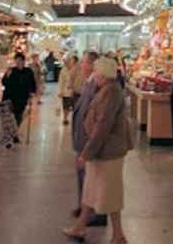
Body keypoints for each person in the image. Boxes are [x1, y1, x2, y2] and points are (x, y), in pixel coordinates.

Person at [63, 57, 132, 244]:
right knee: (93, 191)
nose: (93, 75)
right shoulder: (107, 89)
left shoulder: (110, 92)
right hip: (102, 152)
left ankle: (117, 235)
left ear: (102, 74)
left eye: (95, 71)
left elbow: (103, 126)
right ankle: (82, 228)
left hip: (107, 152)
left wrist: (86, 153)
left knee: (106, 193)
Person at [71, 52, 107, 227]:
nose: (81, 66)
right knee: (83, 176)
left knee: (91, 178)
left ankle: (94, 212)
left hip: (87, 141)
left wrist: (88, 146)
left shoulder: (96, 85)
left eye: (83, 62)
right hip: (81, 140)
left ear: (92, 65)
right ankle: (83, 207)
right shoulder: (88, 83)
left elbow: (96, 118)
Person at [1, 53, 36, 136]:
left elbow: (32, 84)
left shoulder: (28, 71)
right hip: (9, 97)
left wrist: (32, 94)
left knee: (19, 116)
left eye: (20, 61)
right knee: (9, 116)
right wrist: (7, 76)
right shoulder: (11, 70)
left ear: (23, 61)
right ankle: (10, 133)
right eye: (16, 61)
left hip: (22, 97)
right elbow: (4, 82)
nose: (18, 63)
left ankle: (15, 132)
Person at [58, 55, 79, 125]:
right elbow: (61, 82)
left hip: (75, 91)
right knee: (66, 106)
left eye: (69, 61)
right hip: (66, 92)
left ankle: (75, 119)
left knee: (75, 107)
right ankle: (65, 118)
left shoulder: (76, 69)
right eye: (66, 62)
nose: (68, 63)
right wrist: (60, 92)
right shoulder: (63, 70)